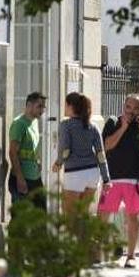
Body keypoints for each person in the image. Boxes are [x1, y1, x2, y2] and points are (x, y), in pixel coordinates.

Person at [98, 93, 139, 268]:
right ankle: (100, 251)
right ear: (123, 106)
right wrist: (123, 127)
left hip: (135, 179)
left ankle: (131, 255)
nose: (131, 111)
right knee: (103, 215)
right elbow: (106, 146)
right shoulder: (113, 122)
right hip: (112, 178)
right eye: (128, 107)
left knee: (133, 217)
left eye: (136, 108)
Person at [52, 92, 110, 221]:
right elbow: (101, 155)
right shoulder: (93, 127)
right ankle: (84, 240)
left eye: (66, 105)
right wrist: (106, 179)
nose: (64, 108)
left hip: (74, 173)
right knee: (83, 215)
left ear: (71, 106)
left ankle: (75, 241)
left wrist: (58, 163)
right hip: (92, 174)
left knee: (70, 216)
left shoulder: (66, 125)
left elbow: (65, 150)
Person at [8, 92, 47, 212]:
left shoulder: (34, 122)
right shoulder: (19, 124)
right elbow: (12, 152)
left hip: (35, 178)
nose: (42, 110)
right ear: (29, 105)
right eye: (39, 106)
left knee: (41, 216)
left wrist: (38, 160)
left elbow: (32, 146)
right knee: (20, 219)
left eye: (43, 107)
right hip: (21, 178)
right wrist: (20, 178)